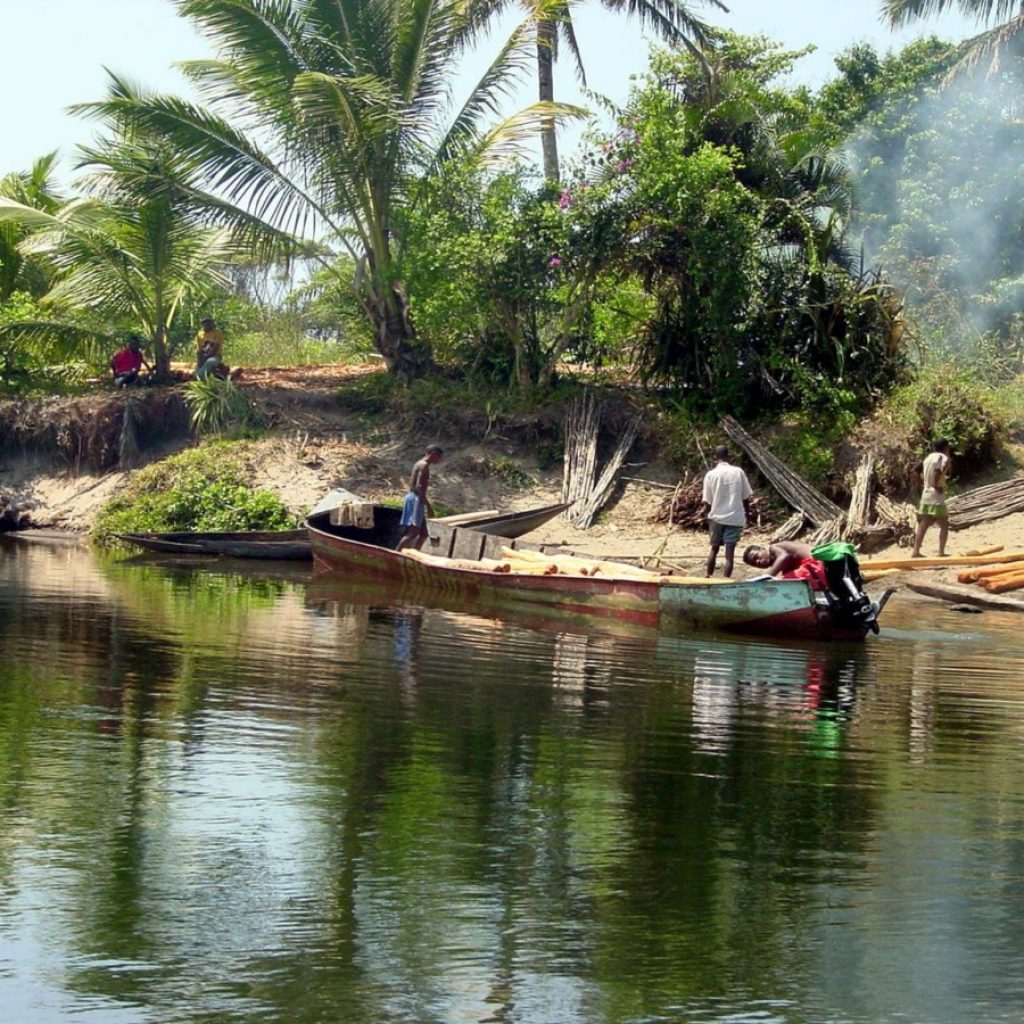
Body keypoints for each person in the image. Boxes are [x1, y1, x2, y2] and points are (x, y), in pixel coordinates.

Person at [702, 445, 753, 577]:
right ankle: (725, 580)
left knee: (714, 548)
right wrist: (747, 515)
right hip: (734, 517)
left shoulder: (710, 475)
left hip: (717, 517)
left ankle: (708, 577)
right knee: (729, 555)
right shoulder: (738, 472)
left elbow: (707, 500)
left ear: (715, 458)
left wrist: (708, 516)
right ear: (728, 456)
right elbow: (745, 497)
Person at [396, 445, 444, 551]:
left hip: (415, 498)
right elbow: (419, 488)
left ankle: (415, 553)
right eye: (439, 457)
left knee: (424, 534)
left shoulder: (419, 463)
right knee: (413, 533)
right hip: (416, 499)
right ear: (433, 454)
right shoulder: (424, 465)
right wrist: (429, 507)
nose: (439, 460)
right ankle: (396, 553)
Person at [912, 438, 953, 557]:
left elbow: (915, 470)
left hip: (926, 493)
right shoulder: (942, 458)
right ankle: (941, 552)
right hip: (936, 495)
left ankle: (915, 551)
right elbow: (938, 471)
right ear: (946, 447)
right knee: (944, 524)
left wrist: (923, 484)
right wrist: (936, 485)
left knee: (923, 524)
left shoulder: (928, 458)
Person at [194, 316, 224, 380]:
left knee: (209, 362)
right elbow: (199, 349)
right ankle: (199, 377)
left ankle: (200, 377)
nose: (207, 324)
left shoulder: (218, 333)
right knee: (197, 368)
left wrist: (206, 357)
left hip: (215, 356)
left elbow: (215, 347)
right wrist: (200, 359)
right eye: (205, 323)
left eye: (209, 322)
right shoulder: (200, 334)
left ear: (212, 323)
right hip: (203, 356)